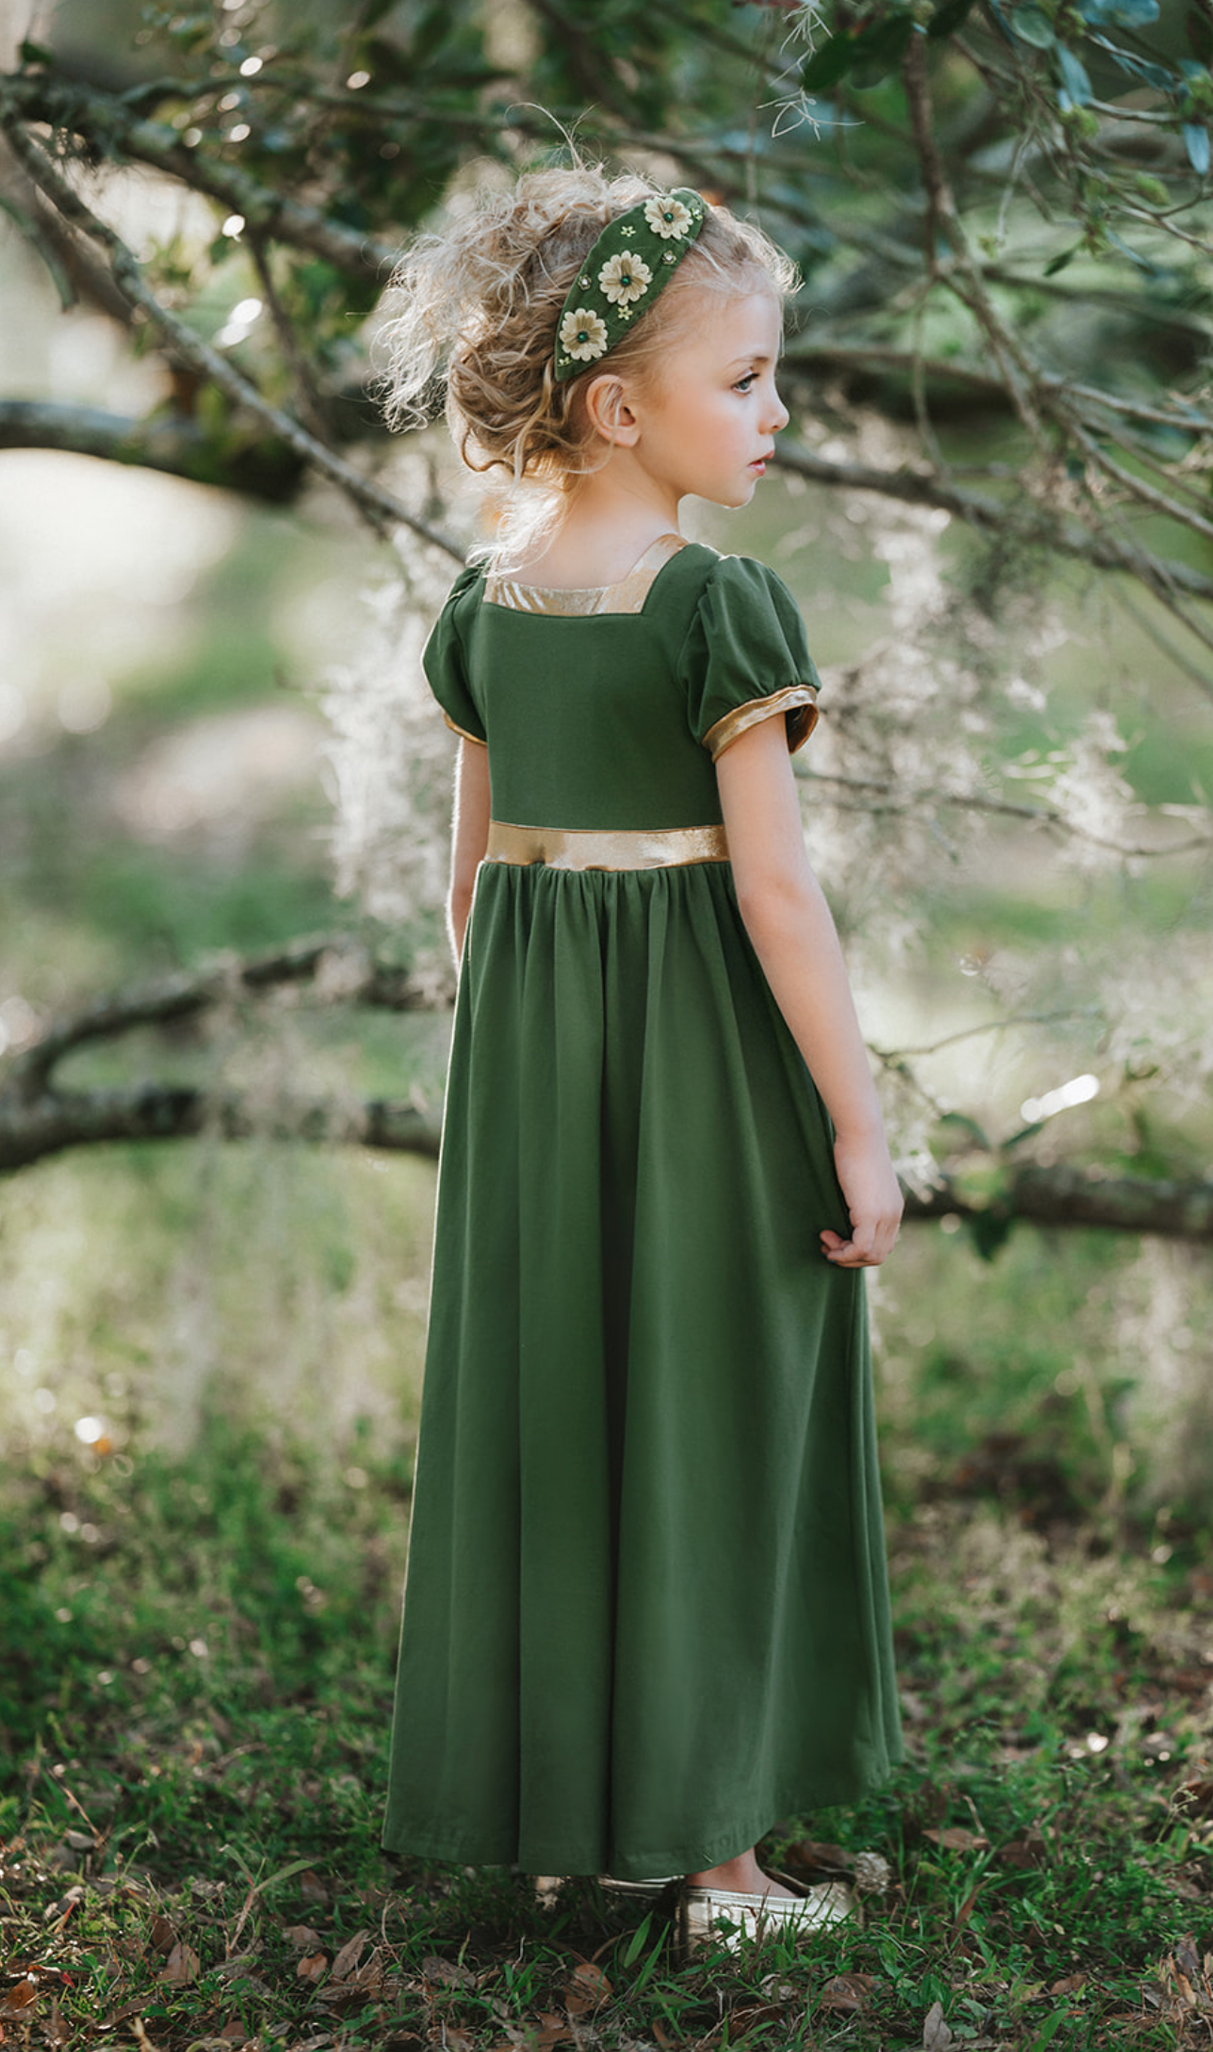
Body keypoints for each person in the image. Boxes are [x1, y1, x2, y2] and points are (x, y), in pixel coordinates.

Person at [377, 162, 905, 1946]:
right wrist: (856, 1128)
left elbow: (470, 892)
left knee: (567, 1416)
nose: (779, 413)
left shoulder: (482, 609)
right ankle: (722, 1871)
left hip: (534, 1084)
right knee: (708, 1417)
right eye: (748, 380)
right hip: (703, 1076)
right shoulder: (716, 609)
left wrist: (532, 1072)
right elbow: (777, 894)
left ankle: (577, 1824)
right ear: (621, 408)